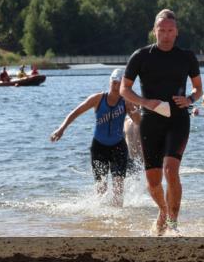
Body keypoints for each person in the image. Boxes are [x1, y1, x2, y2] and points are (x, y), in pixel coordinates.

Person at [120, 9, 203, 235]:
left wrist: (190, 99)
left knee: (171, 170)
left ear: (176, 32)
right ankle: (163, 211)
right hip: (150, 122)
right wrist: (145, 102)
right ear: (154, 31)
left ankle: (174, 224)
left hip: (178, 120)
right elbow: (124, 89)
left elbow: (198, 88)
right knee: (153, 181)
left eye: (170, 30)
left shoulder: (187, 57)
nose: (165, 35)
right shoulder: (141, 56)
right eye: (161, 30)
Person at [50, 68, 139, 206]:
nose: (116, 86)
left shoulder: (126, 102)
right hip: (99, 147)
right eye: (114, 82)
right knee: (101, 186)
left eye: (119, 83)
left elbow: (139, 122)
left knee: (118, 185)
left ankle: (118, 216)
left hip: (118, 147)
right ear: (110, 82)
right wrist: (61, 128)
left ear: (123, 85)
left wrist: (134, 108)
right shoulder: (97, 99)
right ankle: (101, 214)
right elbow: (76, 112)